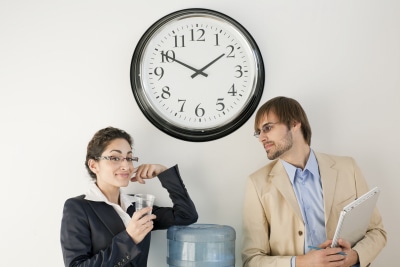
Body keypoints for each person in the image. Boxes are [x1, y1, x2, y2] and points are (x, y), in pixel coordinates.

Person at [241, 96, 386, 267]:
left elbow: (376, 231)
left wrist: (354, 256)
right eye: (259, 132)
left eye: (268, 128)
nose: (261, 138)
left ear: (294, 123)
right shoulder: (257, 184)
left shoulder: (348, 168)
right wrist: (301, 262)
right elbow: (252, 260)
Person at [60, 127, 198, 266]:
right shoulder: (78, 208)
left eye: (129, 158)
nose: (126, 166)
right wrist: (129, 238)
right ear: (94, 165)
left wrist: (164, 173)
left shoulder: (138, 205)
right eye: (115, 158)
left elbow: (186, 215)